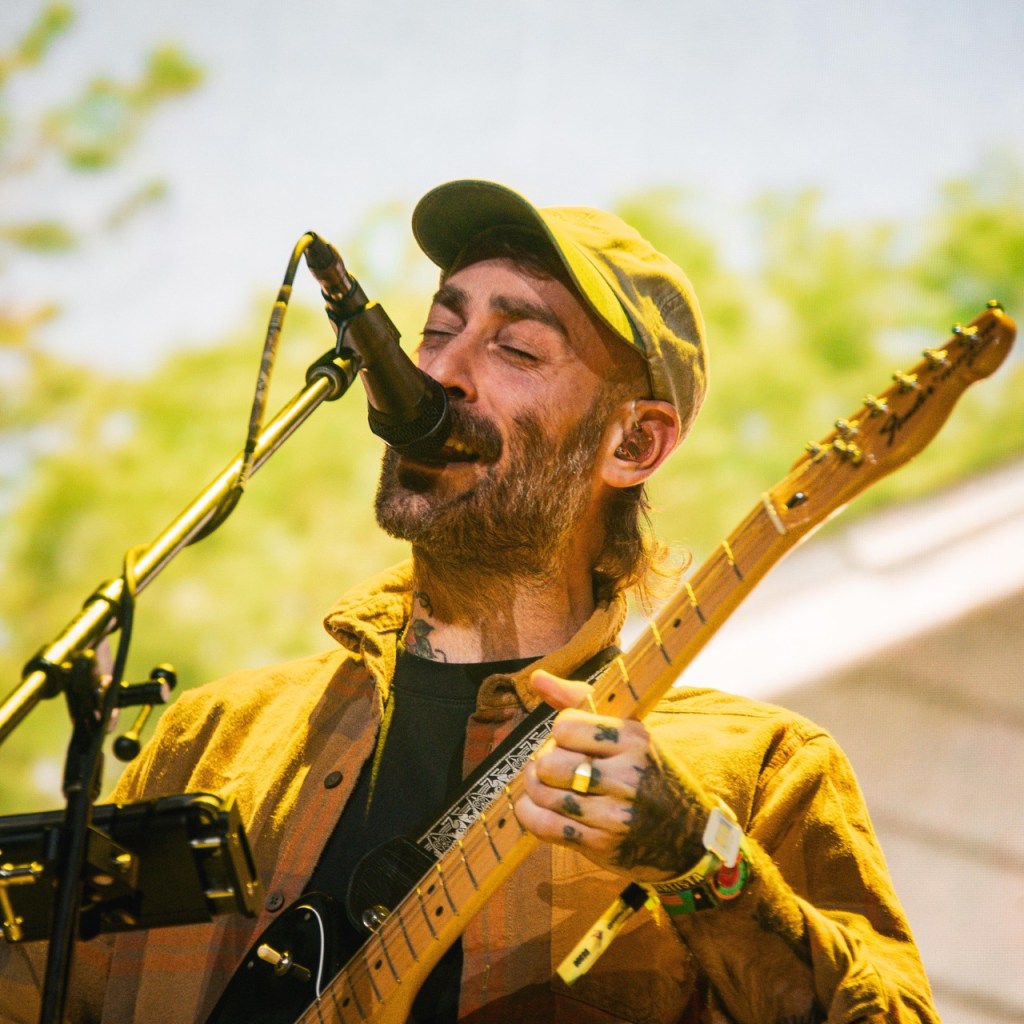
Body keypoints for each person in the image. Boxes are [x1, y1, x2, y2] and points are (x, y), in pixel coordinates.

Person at [0, 179, 939, 1023]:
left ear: (635, 445)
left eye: (517, 347)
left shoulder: (757, 770)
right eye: (438, 329)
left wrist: (700, 862)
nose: (441, 373)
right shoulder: (212, 739)